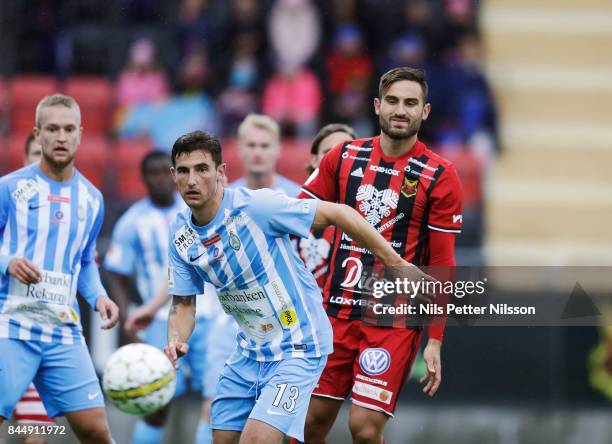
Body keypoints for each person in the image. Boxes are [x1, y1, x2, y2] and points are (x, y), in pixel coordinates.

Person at [163, 130, 433, 444]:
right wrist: (177, 339)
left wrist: (396, 264)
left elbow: (339, 213)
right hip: (248, 351)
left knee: (257, 441)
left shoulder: (258, 207)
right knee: (222, 440)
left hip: (298, 347)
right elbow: (183, 304)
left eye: (201, 169)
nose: (192, 180)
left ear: (221, 172)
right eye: (183, 171)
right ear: (174, 175)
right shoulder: (180, 234)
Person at [298, 67, 463, 443]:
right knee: (309, 422)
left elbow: (443, 264)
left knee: (364, 428)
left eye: (410, 103)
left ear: (425, 111)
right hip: (333, 314)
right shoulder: (343, 156)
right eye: (392, 101)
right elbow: (298, 217)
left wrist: (434, 339)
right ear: (377, 106)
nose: (400, 110)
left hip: (392, 323)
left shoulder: (440, 175)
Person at [0, 94, 120, 443]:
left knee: (96, 429)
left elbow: (84, 260)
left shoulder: (92, 199)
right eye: (52, 129)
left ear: (81, 134)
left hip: (62, 332)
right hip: (11, 327)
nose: (61, 137)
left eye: (69, 129)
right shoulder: (10, 189)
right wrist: (7, 262)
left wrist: (99, 298)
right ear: (38, 134)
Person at [104, 151, 218, 444]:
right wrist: (130, 314)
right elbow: (118, 272)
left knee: (216, 402)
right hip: (160, 319)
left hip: (212, 317)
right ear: (143, 179)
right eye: (150, 174)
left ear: (172, 175)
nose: (158, 180)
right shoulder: (133, 222)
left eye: (162, 173)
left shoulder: (199, 210)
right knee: (157, 401)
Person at [11, 133, 53, 444]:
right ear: (24, 161)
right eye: (35, 154)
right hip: (5, 330)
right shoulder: (5, 202)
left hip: (39, 335)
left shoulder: (73, 211)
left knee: (35, 436)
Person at [299, 123, 356, 289]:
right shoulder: (294, 212)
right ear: (314, 160)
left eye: (346, 152)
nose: (336, 159)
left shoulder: (375, 215)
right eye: (328, 152)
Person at [230, 113, 300, 196]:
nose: (257, 153)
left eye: (265, 146)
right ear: (239, 149)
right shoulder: (229, 196)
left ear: (279, 149)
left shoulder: (296, 197)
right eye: (251, 145)